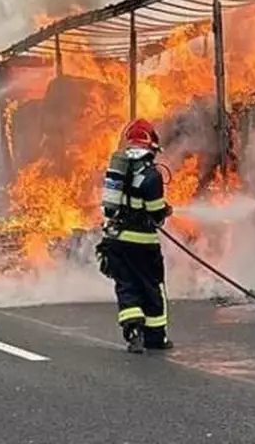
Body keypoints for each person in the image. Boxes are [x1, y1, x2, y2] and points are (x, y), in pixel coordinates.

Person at [95, 119, 174, 353]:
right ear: (151, 145)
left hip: (116, 241)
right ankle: (156, 338)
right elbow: (155, 212)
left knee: (127, 287)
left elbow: (110, 208)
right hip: (144, 243)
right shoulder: (151, 175)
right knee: (151, 288)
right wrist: (165, 210)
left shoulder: (117, 170)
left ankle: (133, 333)